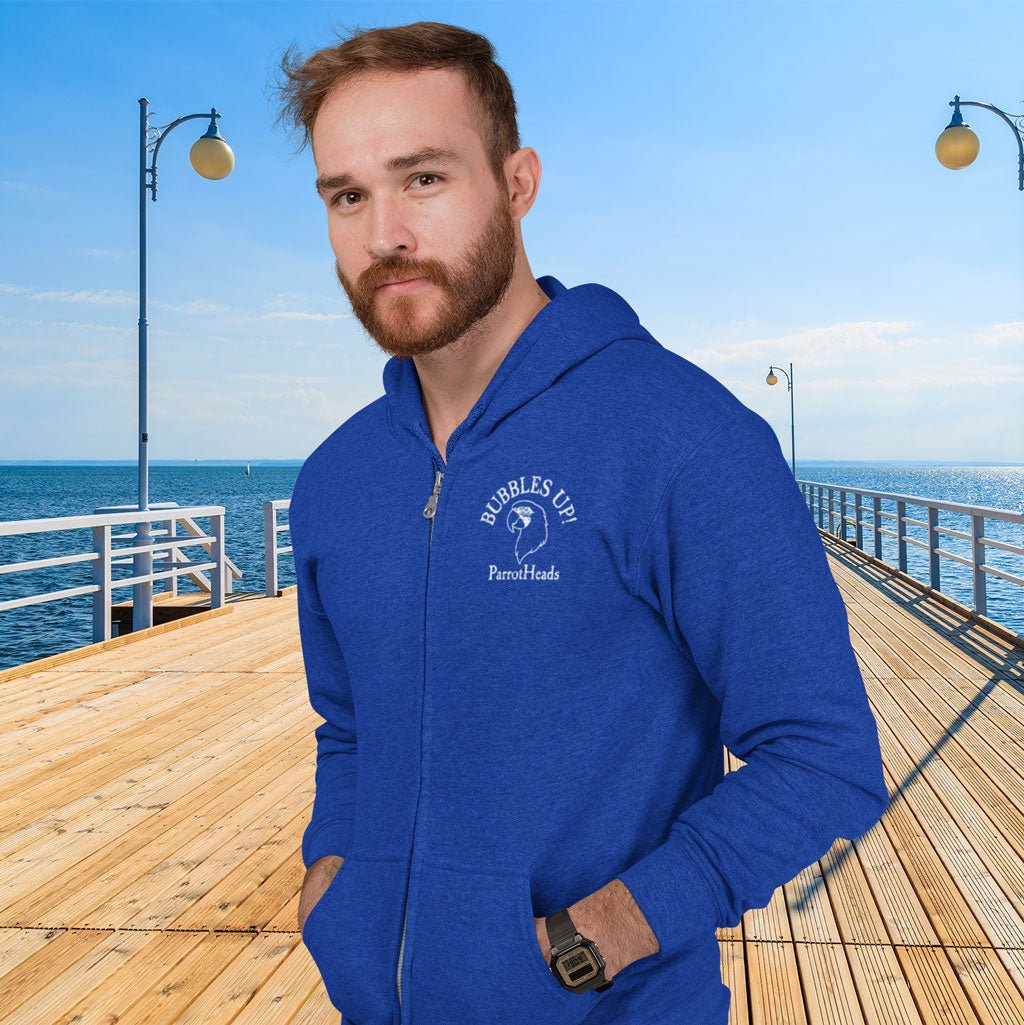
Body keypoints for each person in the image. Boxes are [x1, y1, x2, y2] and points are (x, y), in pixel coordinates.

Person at [273, 20, 889, 1025]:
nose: (382, 233)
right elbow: (348, 728)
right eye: (347, 195)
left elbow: (820, 756)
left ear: (517, 183)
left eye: (422, 179)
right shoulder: (338, 478)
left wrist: (592, 938)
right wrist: (330, 886)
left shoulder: (682, 437)